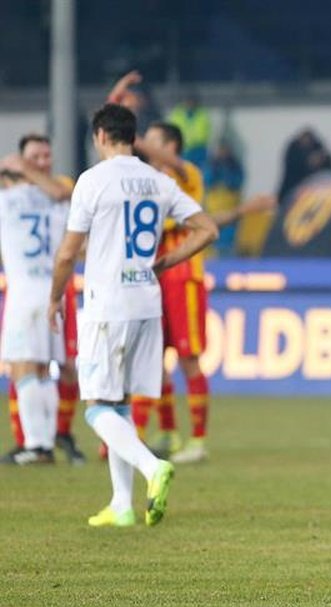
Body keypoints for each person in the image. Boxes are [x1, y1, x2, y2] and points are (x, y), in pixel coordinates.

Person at [47, 103, 217, 527]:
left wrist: (53, 298)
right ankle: (121, 504)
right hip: (147, 302)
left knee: (96, 407)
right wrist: (166, 262)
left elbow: (68, 251)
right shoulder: (157, 180)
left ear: (100, 136)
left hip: (109, 305)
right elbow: (207, 229)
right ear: (131, 135)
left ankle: (150, 467)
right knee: (119, 404)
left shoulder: (93, 180)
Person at [0, 134, 86, 465]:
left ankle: (37, 446)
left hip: (24, 292)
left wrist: (16, 167)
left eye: (45, 156)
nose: (41, 162)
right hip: (52, 292)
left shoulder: (9, 199)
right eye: (34, 157)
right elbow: (62, 192)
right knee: (44, 368)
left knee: (24, 367)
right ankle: (45, 440)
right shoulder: (60, 200)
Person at [128, 122, 211, 464]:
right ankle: (168, 431)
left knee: (189, 359)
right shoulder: (146, 181)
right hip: (153, 278)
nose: (147, 146)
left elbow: (173, 164)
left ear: (172, 146)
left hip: (184, 278)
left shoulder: (186, 174)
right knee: (154, 359)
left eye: (154, 141)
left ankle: (198, 440)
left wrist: (130, 137)